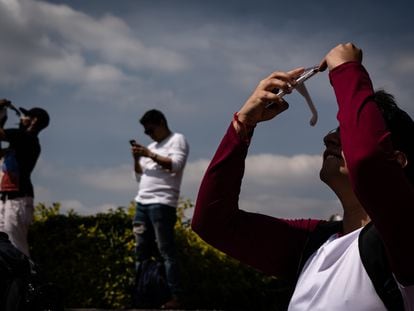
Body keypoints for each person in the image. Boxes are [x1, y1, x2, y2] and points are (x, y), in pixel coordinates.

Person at [191, 43, 414, 310]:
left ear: (398, 161)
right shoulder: (312, 243)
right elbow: (213, 223)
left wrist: (347, 69)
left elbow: (368, 161)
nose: (329, 137)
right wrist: (243, 124)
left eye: (346, 130)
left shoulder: (405, 234)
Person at [131, 109, 189, 309]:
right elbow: (139, 177)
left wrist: (148, 154)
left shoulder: (177, 140)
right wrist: (137, 158)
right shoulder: (152, 146)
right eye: (146, 132)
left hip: (162, 203)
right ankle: (142, 295)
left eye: (151, 130)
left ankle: (175, 297)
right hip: (142, 203)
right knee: (141, 253)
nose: (149, 134)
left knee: (166, 251)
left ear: (162, 123)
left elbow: (175, 165)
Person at [0, 99, 50, 257]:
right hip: (7, 199)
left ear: (33, 121)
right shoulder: (19, 142)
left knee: (16, 246)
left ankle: (26, 280)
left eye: (25, 116)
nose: (21, 119)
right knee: (5, 247)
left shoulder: (26, 139)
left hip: (17, 200)